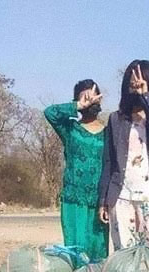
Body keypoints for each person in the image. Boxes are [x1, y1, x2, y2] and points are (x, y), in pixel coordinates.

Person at [98, 60, 149, 249]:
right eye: (132, 84)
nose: (136, 88)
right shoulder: (116, 119)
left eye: (141, 84)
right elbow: (109, 162)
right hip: (121, 196)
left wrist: (146, 99)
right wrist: (103, 200)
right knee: (124, 256)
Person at [44, 80, 109, 260]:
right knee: (76, 255)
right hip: (73, 201)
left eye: (93, 97)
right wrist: (79, 105)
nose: (90, 101)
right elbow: (49, 113)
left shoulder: (110, 132)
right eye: (85, 96)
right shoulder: (70, 129)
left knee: (98, 258)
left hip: (100, 204)